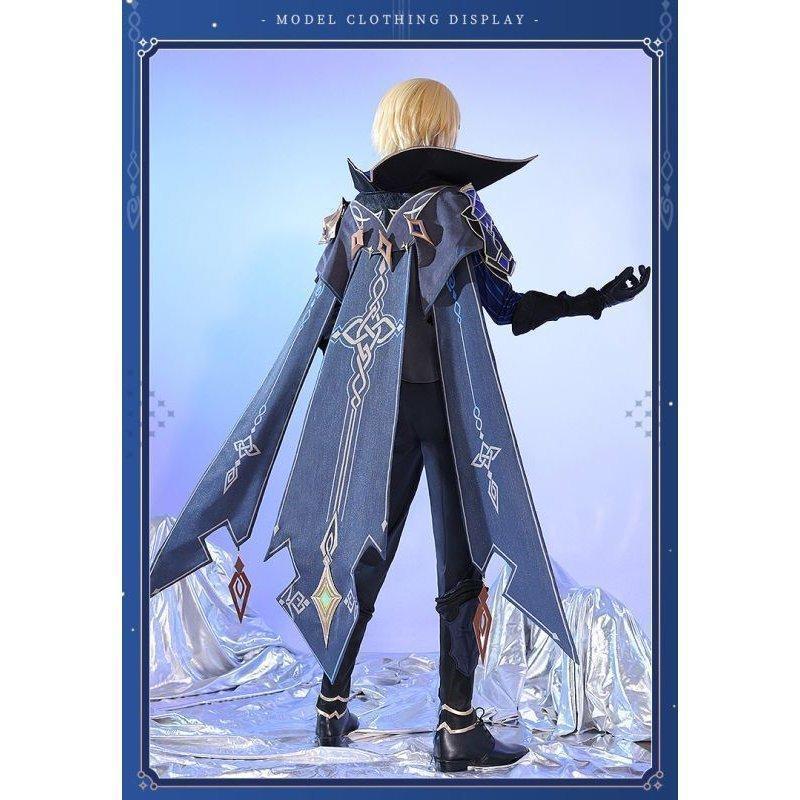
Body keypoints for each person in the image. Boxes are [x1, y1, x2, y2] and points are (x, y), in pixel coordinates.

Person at [150, 77, 649, 772]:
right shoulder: (454, 206)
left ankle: (330, 705)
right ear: (441, 130)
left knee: (359, 552)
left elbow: (322, 325)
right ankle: (457, 727)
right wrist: (594, 299)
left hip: (373, 412)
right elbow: (504, 307)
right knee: (460, 561)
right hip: (444, 410)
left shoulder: (354, 216)